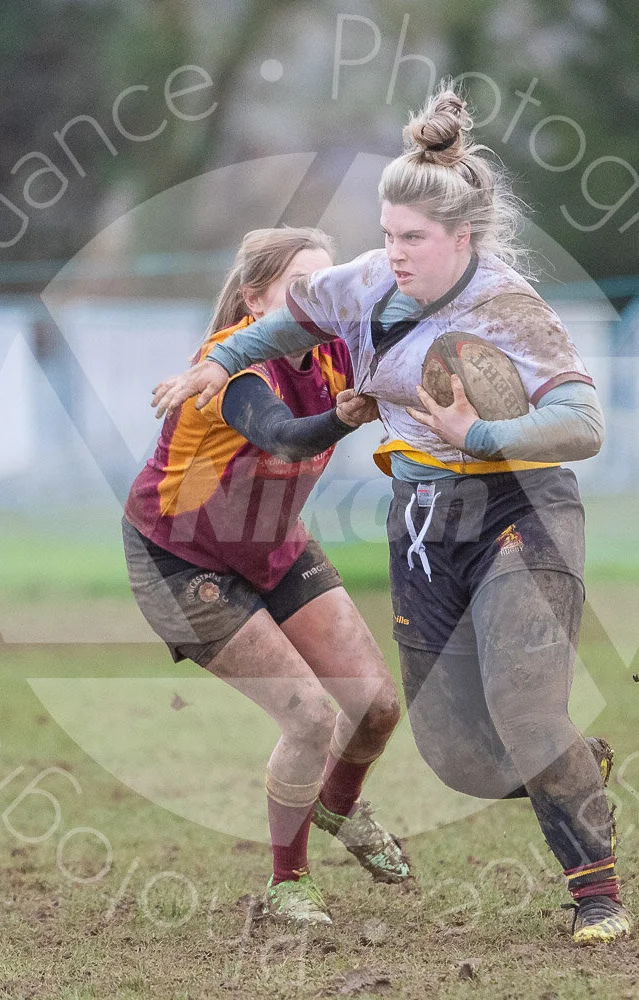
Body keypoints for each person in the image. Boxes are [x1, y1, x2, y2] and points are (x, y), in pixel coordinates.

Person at [151, 90, 629, 945]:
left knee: (523, 704)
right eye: (388, 232)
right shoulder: (366, 281)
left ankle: (597, 896)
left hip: (523, 507)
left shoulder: (509, 307)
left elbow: (586, 424)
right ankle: (572, 770)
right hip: (422, 519)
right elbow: (276, 325)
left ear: (462, 239)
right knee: (457, 756)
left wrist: (481, 431)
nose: (395, 251)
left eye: (413, 237)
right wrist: (211, 365)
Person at [124, 227, 411, 927]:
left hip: (272, 543)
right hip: (180, 557)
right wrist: (344, 417)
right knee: (310, 715)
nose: (317, 305)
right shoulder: (228, 370)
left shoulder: (338, 349)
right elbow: (283, 435)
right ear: (255, 300)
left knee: (375, 707)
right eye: (298, 290)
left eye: (327, 288)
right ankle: (289, 884)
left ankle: (338, 805)